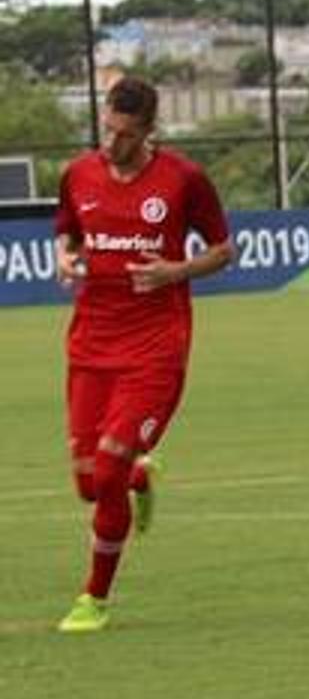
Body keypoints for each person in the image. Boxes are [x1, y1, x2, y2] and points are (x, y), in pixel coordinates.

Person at [50, 76, 234, 632]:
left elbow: (224, 250)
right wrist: (65, 258)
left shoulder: (183, 180)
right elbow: (69, 233)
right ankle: (138, 476)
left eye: (124, 135)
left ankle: (93, 600)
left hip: (155, 350)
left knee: (105, 470)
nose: (111, 144)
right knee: (90, 483)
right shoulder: (79, 174)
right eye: (107, 130)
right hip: (90, 345)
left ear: (149, 132)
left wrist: (174, 271)